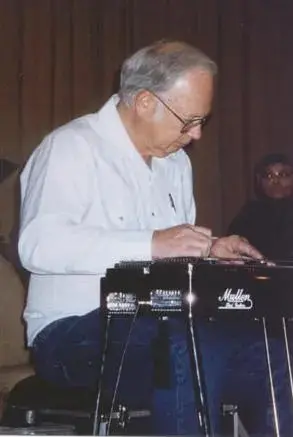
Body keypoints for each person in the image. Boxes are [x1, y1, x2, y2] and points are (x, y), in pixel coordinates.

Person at [18, 40, 263, 435]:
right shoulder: (71, 147)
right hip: (70, 336)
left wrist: (209, 250)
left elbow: (174, 255)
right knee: (185, 340)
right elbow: (38, 243)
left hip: (159, 326)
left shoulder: (176, 164)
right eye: (189, 121)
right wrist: (152, 243)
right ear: (146, 102)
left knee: (267, 344)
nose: (197, 135)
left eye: (203, 121)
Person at [227, 152, 293, 259]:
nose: (276, 181)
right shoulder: (249, 214)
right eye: (269, 176)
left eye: (283, 175)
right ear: (259, 180)